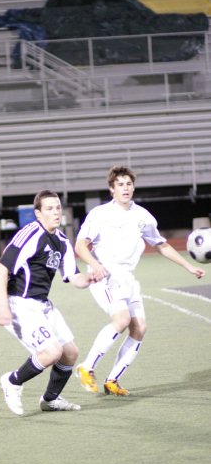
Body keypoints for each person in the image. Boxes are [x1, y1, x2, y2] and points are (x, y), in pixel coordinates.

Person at [74, 165, 205, 397]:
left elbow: (161, 244)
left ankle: (112, 380)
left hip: (127, 278)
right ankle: (87, 366)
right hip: (104, 276)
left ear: (133, 187)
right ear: (111, 189)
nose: (125, 188)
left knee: (140, 328)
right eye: (120, 184)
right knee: (122, 319)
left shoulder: (142, 216)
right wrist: (95, 266)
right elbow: (80, 245)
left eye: (128, 184)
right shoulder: (100, 214)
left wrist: (188, 266)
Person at [0, 189, 95, 416]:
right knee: (51, 352)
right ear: (38, 214)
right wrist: (2, 305)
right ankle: (12, 381)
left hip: (43, 305)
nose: (56, 212)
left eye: (58, 207)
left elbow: (72, 276)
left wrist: (88, 278)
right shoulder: (29, 234)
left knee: (70, 353)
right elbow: (0, 268)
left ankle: (50, 399)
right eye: (49, 208)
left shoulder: (61, 240)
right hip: (19, 304)